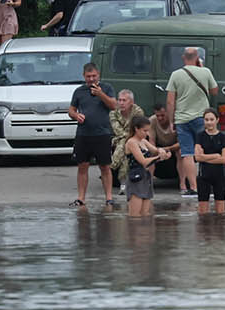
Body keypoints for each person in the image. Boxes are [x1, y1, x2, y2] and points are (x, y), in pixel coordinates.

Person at [166, 46, 219, 199]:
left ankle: (194, 188)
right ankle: (207, 186)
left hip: (182, 120)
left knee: (187, 154)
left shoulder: (175, 75)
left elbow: (170, 101)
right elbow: (214, 91)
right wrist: (201, 68)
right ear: (197, 58)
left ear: (183, 57)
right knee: (205, 151)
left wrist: (171, 121)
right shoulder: (205, 72)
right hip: (202, 119)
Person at [68, 62, 118, 210]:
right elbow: (71, 110)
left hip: (102, 133)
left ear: (98, 75)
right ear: (84, 76)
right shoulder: (78, 91)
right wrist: (76, 115)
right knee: (82, 165)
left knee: (105, 166)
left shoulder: (107, 88)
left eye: (94, 76)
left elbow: (113, 106)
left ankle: (109, 198)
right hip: (83, 134)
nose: (91, 79)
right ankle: (81, 198)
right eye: (88, 76)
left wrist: (100, 94)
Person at [123, 115, 169, 218]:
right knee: (135, 216)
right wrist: (159, 157)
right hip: (136, 178)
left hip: (146, 177)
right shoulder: (131, 142)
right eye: (144, 130)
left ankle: (145, 234)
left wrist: (164, 152)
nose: (147, 133)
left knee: (145, 215)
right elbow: (143, 161)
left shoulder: (143, 141)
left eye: (148, 130)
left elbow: (156, 150)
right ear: (136, 129)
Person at [194, 108, 225, 213]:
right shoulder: (200, 136)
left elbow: (224, 159)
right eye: (206, 120)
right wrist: (215, 156)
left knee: (220, 211)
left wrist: (205, 157)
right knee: (202, 211)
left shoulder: (222, 137)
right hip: (203, 176)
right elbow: (197, 157)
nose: (209, 122)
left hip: (220, 176)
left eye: (211, 119)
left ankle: (219, 229)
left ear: (217, 120)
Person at [109, 89, 145, 193]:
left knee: (126, 146)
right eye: (119, 100)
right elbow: (117, 130)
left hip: (135, 139)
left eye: (124, 100)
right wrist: (126, 138)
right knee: (125, 147)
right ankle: (124, 183)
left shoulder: (138, 112)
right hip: (119, 139)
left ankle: (114, 167)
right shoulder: (113, 113)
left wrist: (128, 138)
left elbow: (137, 130)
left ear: (131, 102)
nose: (121, 103)